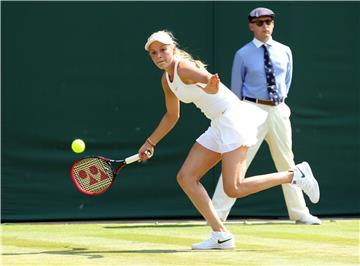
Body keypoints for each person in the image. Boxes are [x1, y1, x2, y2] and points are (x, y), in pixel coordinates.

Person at [138, 29, 320, 250]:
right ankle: (221, 234)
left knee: (234, 188)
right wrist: (150, 142)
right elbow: (172, 115)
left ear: (173, 49)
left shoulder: (183, 67)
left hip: (233, 119)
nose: (158, 56)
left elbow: (209, 81)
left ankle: (294, 175)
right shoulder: (167, 80)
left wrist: (210, 85)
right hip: (218, 123)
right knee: (186, 177)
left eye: (163, 50)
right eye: (153, 53)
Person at [212, 7, 321, 225]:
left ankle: (299, 212)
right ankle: (215, 213)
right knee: (238, 161)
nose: (265, 26)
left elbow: (286, 81)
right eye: (260, 22)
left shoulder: (285, 50)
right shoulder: (242, 54)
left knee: (286, 160)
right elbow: (235, 90)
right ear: (251, 25)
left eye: (269, 22)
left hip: (278, 109)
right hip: (251, 110)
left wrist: (278, 104)